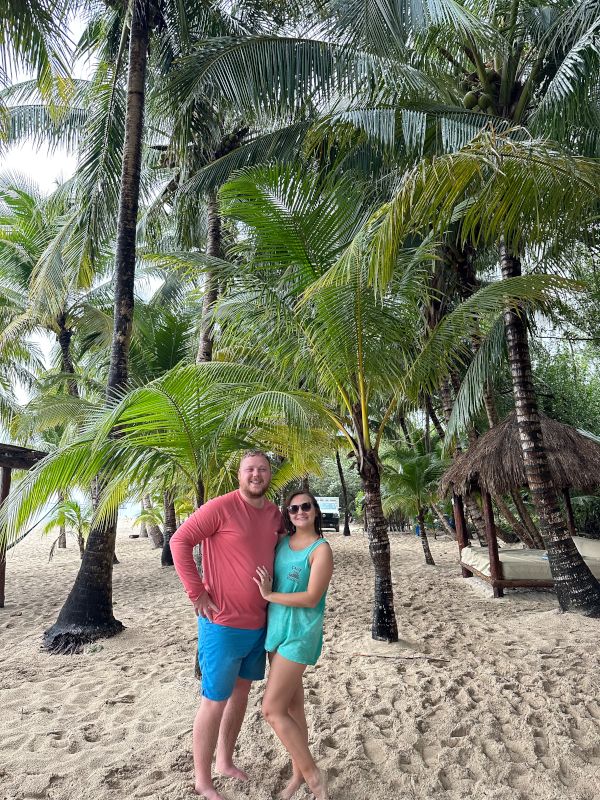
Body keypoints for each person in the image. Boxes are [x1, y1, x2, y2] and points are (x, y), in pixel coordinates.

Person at [170, 450, 284, 800]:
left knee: (241, 695)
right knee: (214, 700)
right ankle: (202, 780)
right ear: (239, 474)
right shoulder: (220, 507)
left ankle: (225, 761)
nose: (256, 475)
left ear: (269, 476)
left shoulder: (274, 515)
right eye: (250, 469)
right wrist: (197, 593)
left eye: (262, 470)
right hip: (221, 624)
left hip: (259, 625)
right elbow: (179, 541)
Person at [253, 491, 334, 800]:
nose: (300, 512)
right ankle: (298, 774)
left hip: (300, 634)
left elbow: (312, 597)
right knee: (292, 706)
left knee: (271, 709)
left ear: (315, 511)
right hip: (276, 632)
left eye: (306, 507)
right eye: (294, 508)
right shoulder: (282, 543)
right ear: (288, 513)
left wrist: (270, 595)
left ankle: (314, 778)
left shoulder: (320, 550)